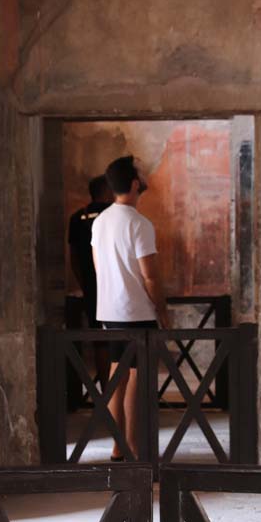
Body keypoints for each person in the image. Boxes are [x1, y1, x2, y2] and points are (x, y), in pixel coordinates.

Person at [91, 155, 169, 460]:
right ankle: (135, 447)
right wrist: (162, 310)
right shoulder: (140, 224)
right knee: (136, 378)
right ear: (135, 183)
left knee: (116, 375)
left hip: (109, 311)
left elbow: (99, 269)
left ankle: (116, 446)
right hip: (137, 312)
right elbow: (150, 276)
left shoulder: (100, 222)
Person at [67, 174, 113, 390]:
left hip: (92, 286)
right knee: (125, 340)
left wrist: (84, 282)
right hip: (116, 286)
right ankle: (123, 395)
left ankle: (106, 391)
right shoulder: (115, 216)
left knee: (100, 340)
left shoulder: (77, 218)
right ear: (107, 191)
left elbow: (74, 257)